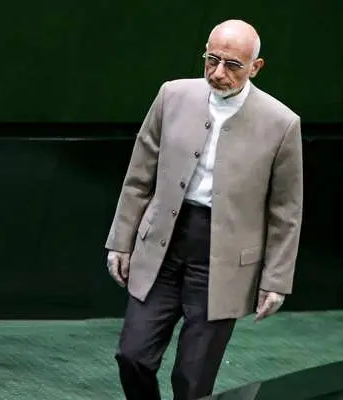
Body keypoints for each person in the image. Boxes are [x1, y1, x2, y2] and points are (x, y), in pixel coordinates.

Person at [105, 19, 303, 400]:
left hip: (224, 259)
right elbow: (139, 176)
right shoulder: (172, 95)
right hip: (162, 244)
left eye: (232, 65)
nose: (218, 72)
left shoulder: (281, 123)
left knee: (192, 380)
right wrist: (121, 241)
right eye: (212, 60)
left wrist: (276, 279)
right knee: (132, 356)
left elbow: (286, 211)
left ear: (256, 67)